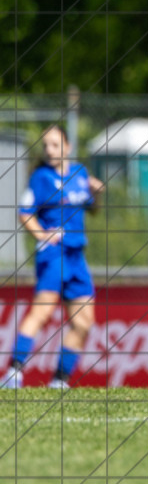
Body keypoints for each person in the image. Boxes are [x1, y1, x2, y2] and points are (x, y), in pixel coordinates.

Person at [1, 125, 104, 389]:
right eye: (46, 145)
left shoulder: (80, 173)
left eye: (55, 145)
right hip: (54, 255)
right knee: (42, 312)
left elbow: (92, 210)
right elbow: (25, 212)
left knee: (84, 322)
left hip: (76, 255)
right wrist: (41, 235)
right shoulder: (41, 178)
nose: (49, 150)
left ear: (67, 147)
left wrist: (96, 193)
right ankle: (14, 373)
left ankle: (59, 380)